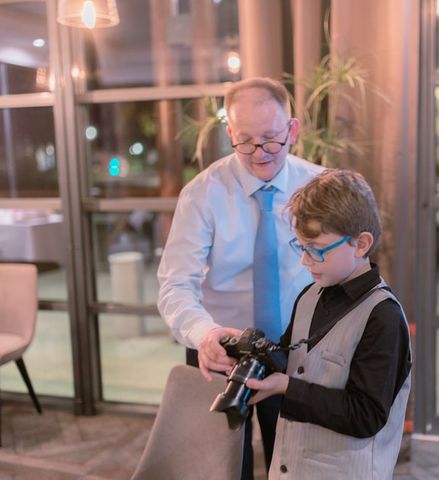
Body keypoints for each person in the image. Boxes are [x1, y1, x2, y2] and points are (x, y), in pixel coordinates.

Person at [156, 77, 323, 478]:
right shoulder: (202, 193)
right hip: (220, 347)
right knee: (223, 468)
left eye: (271, 138)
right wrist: (202, 334)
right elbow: (175, 284)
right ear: (229, 132)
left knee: (297, 465)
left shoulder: (320, 187)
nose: (259, 152)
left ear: (292, 130)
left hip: (298, 351)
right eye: (245, 140)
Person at [245, 169, 412, 479]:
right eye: (301, 247)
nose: (305, 261)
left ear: (361, 244)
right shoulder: (310, 295)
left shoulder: (383, 317)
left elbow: (366, 416)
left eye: (316, 250)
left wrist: (288, 388)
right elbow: (292, 361)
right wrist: (255, 355)